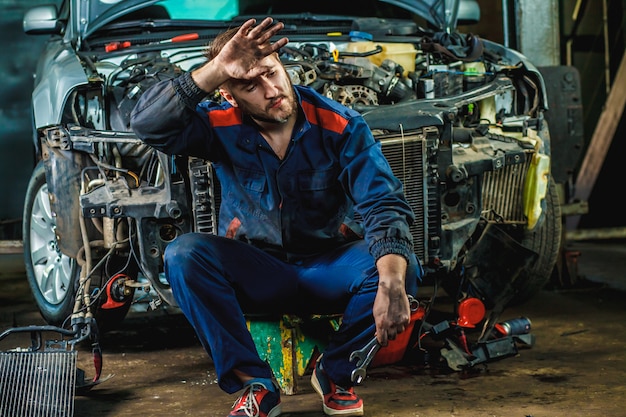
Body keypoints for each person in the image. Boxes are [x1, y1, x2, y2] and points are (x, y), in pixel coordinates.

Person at [130, 17, 422, 417]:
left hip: (328, 266)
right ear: (230, 95)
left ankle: (334, 372)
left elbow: (383, 203)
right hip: (257, 270)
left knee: (400, 267)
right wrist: (215, 71)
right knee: (183, 255)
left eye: (271, 73)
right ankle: (256, 385)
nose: (271, 91)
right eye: (250, 85)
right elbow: (147, 125)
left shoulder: (340, 125)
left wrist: (391, 277)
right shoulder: (219, 125)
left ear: (283, 67)